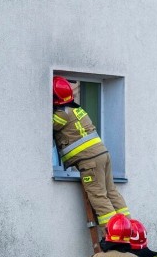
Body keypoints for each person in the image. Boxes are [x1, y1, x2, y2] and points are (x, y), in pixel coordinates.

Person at [52, 76, 130, 226]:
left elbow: (42, 125)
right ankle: (129, 228)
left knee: (98, 195)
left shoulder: (61, 114)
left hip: (90, 161)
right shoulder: (76, 109)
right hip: (102, 154)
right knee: (111, 192)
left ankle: (113, 234)